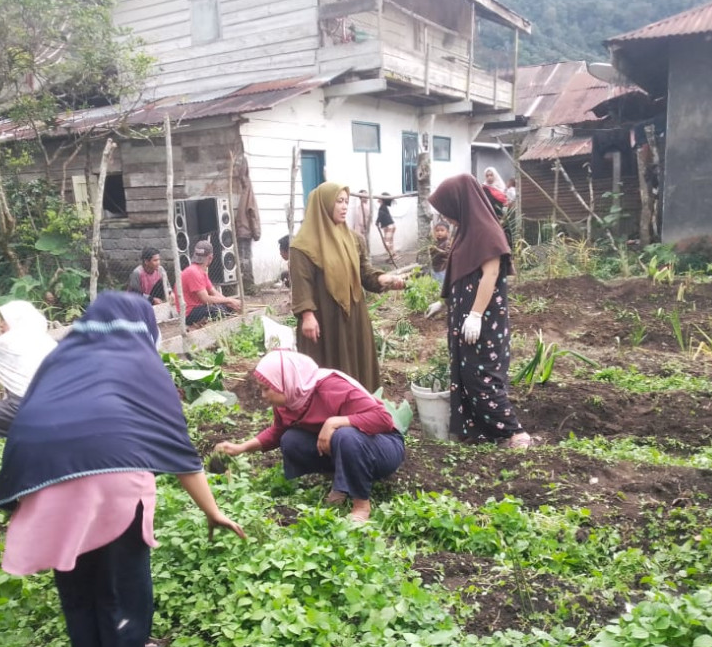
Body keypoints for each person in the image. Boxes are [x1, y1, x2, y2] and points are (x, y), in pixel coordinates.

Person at [0, 292, 245, 647]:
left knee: (76, 575)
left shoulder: (60, 360)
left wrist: (20, 499)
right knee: (122, 579)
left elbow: (26, 422)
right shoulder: (141, 364)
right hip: (116, 479)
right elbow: (177, 446)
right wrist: (212, 511)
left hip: (50, 481)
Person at [215, 351, 405, 523]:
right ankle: (343, 480)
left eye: (266, 389)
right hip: (346, 447)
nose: (263, 395)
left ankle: (361, 505)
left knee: (345, 435)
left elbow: (383, 419)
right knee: (291, 440)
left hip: (382, 447)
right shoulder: (290, 397)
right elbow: (278, 431)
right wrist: (241, 448)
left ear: (285, 381)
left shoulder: (332, 387)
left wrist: (334, 422)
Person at [428, 174, 531, 449]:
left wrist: (474, 314)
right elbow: (461, 274)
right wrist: (445, 303)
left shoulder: (487, 230)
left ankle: (514, 433)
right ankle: (480, 432)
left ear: (460, 203)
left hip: (484, 320)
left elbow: (491, 273)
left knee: (481, 376)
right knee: (465, 375)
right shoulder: (464, 232)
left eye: (448, 210)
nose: (446, 217)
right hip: (464, 318)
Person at [289, 181, 405, 392]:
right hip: (324, 319)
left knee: (356, 364)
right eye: (338, 201)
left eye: (346, 201)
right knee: (327, 370)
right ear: (323, 205)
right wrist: (307, 315)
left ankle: (360, 414)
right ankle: (326, 418)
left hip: (354, 316)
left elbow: (364, 273)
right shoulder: (303, 246)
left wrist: (383, 280)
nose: (344, 207)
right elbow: (301, 282)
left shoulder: (354, 239)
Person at [0, 300, 57, 438]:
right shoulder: (47, 340)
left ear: (15, 321)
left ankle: (9, 442)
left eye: (5, 320)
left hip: (30, 404)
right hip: (60, 401)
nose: (0, 324)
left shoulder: (5, 341)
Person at [178, 240, 242, 326]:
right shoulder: (193, 272)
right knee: (219, 311)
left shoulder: (200, 271)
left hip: (198, 308)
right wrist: (230, 300)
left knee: (228, 308)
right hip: (188, 313)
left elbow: (213, 292)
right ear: (210, 257)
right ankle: (195, 325)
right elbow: (206, 299)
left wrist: (230, 303)